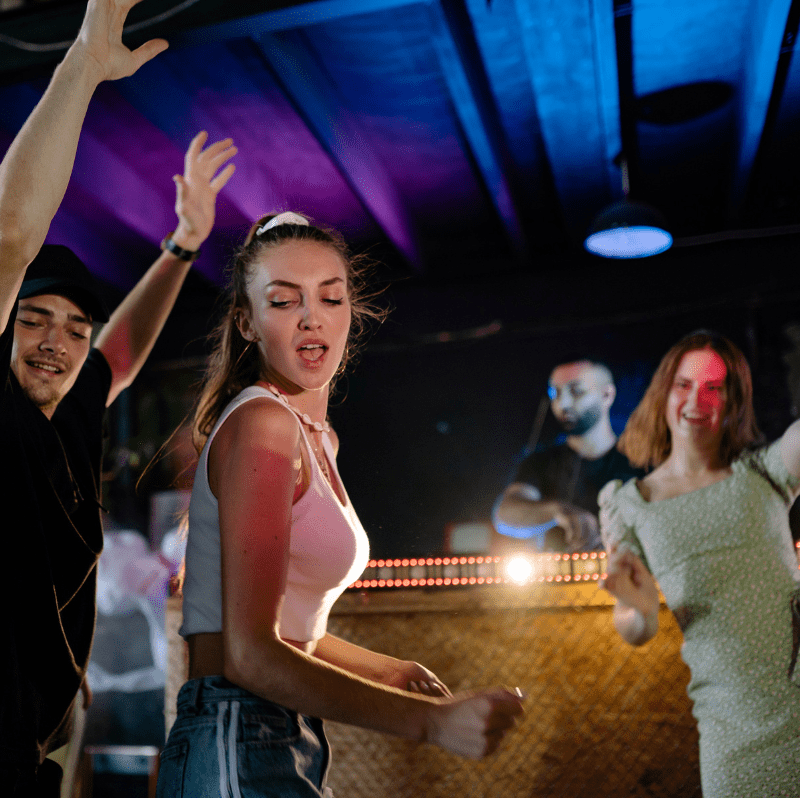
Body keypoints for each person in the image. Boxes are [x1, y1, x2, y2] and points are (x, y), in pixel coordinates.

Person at [156, 211, 524, 797]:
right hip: (236, 726)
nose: (312, 317)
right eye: (284, 301)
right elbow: (248, 655)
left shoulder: (314, 437)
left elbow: (285, 628)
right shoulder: (263, 423)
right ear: (246, 322)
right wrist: (432, 724)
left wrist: (389, 671)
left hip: (275, 729)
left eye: (330, 297)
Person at [0, 0, 236, 793]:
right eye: (33, 319)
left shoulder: (66, 414)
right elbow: (9, 237)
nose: (56, 341)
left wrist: (184, 244)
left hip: (32, 744)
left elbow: (122, 354)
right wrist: (85, 62)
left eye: (74, 328)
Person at [599, 330, 800, 798]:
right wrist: (640, 611)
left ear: (734, 401)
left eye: (714, 387)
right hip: (732, 731)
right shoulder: (630, 505)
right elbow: (633, 627)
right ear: (663, 393)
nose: (697, 400)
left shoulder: (765, 472)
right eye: (684, 385)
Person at [493, 358, 640, 552]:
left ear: (607, 395)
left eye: (576, 391)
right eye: (556, 393)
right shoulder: (540, 462)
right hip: (559, 571)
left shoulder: (642, 461)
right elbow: (505, 514)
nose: (563, 403)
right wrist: (557, 511)